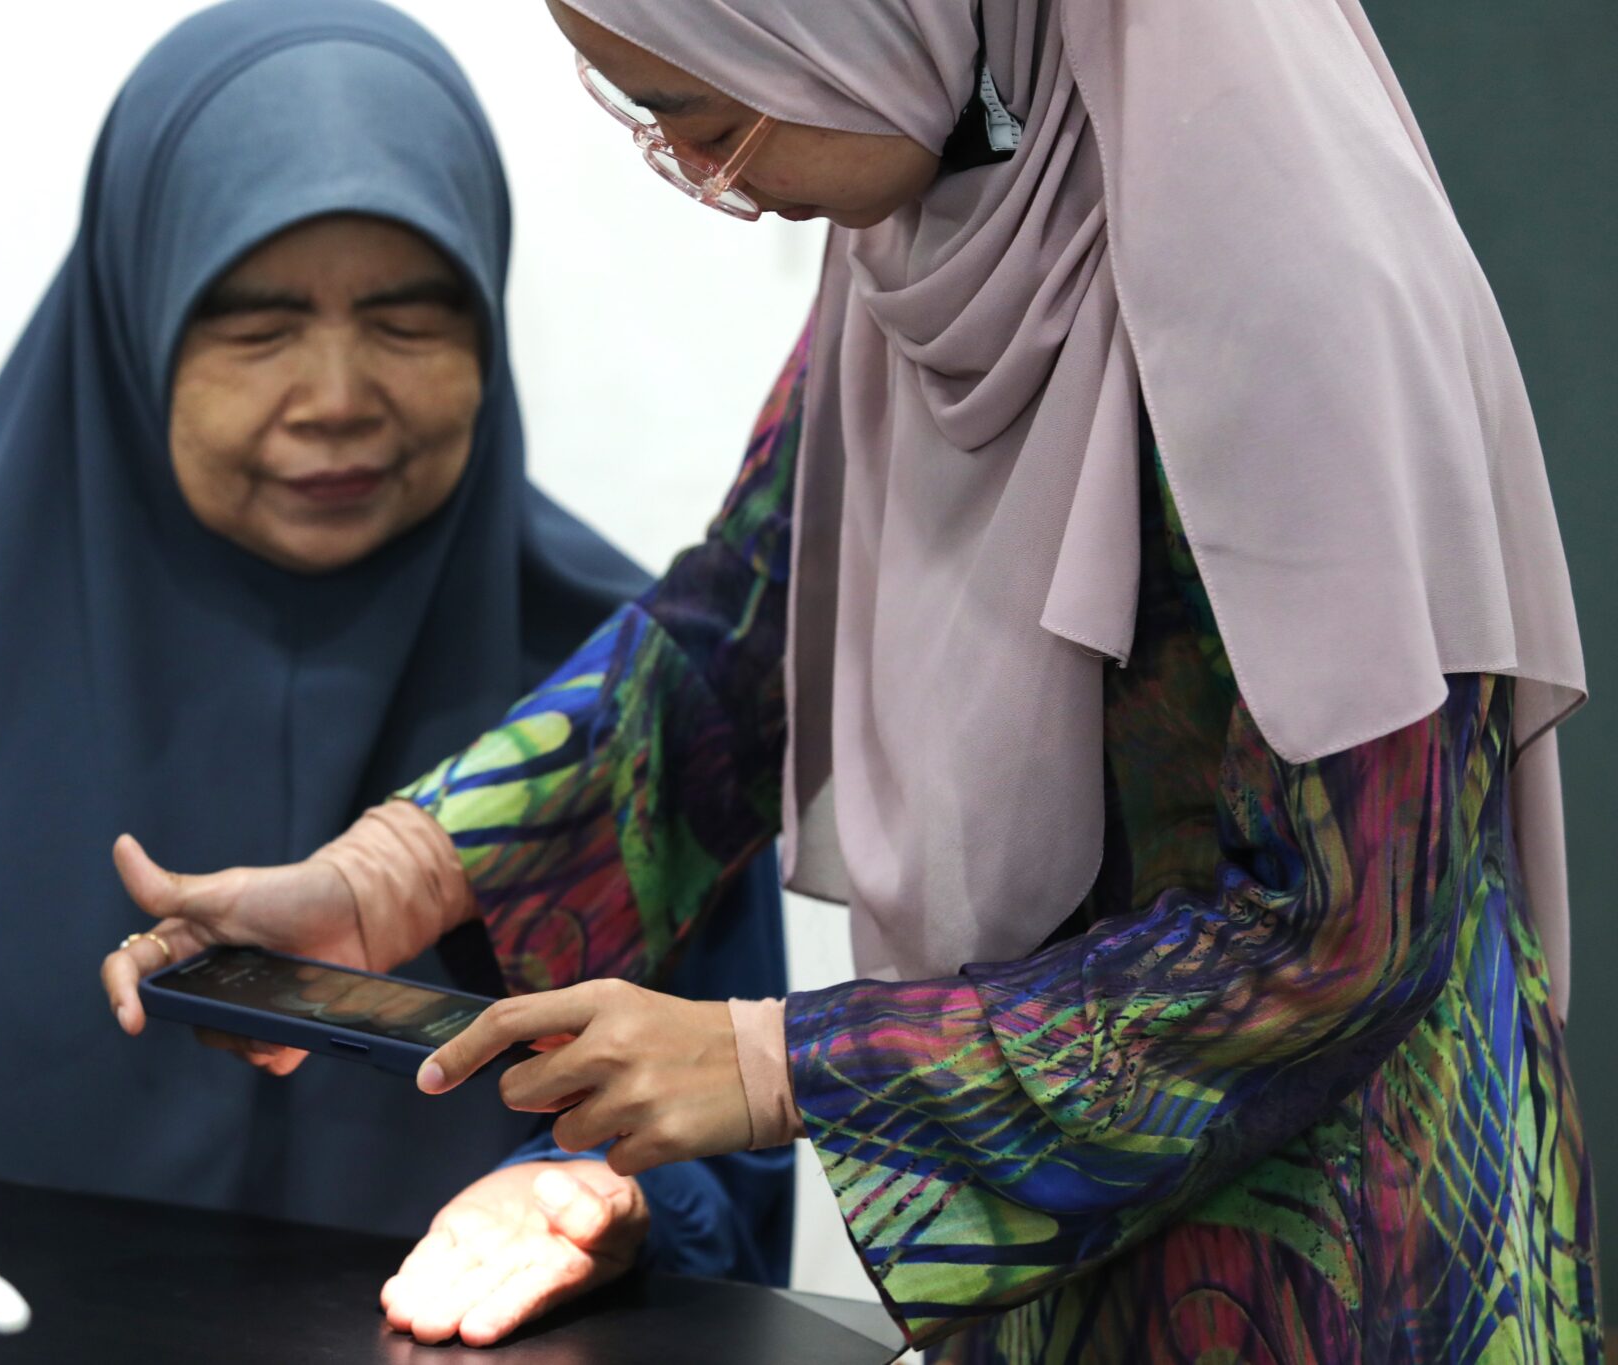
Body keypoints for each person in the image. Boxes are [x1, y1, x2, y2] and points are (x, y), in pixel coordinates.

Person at [103, 0, 1603, 1358]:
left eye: (707, 114)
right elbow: (747, 619)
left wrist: (781, 1064)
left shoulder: (1294, 294)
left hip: (1333, 1268)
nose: (701, 175)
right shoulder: (953, 215)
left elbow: (1341, 931)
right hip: (1055, 1265)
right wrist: (387, 880)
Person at [0, 0, 793, 1337]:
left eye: (408, 319)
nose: (335, 394)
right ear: (134, 326)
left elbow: (731, 1178)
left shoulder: (646, 712)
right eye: (257, 325)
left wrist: (601, 1197)